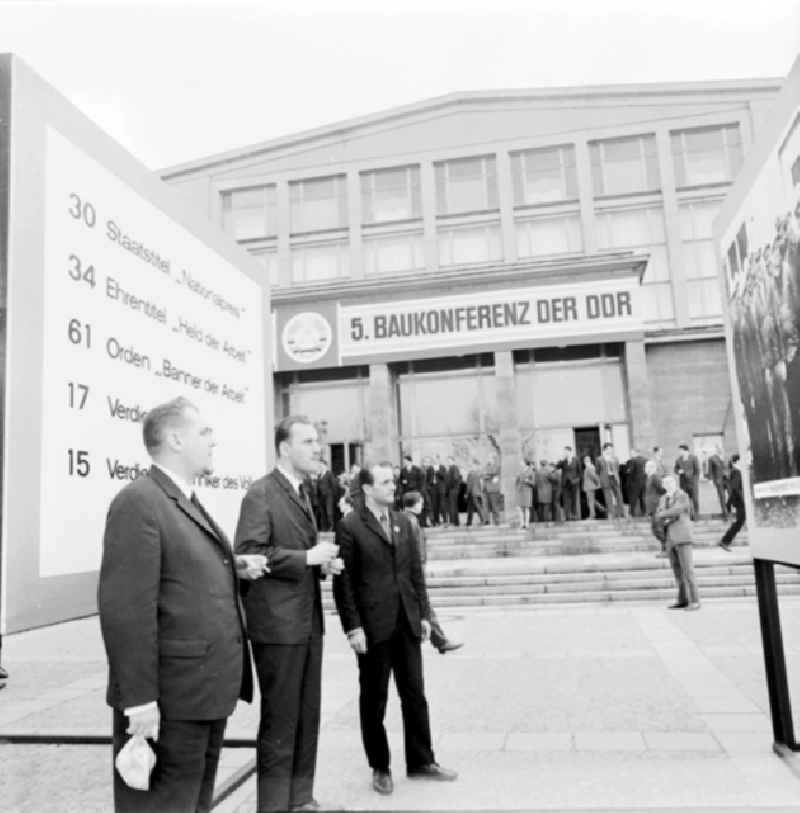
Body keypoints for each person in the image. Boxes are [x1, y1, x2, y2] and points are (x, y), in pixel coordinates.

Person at [98, 396, 266, 813]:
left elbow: (180, 576)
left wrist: (231, 568)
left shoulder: (183, 500)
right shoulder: (139, 502)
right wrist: (138, 700)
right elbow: (126, 610)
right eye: (204, 432)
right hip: (169, 702)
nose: (214, 441)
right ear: (175, 438)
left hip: (203, 694)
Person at [234, 416, 341, 812]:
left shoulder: (301, 491)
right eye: (309, 441)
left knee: (307, 716)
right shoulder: (261, 493)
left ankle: (301, 800)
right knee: (281, 722)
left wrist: (319, 565)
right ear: (284, 447)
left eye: (318, 441)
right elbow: (249, 551)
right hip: (277, 627)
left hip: (305, 622)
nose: (318, 449)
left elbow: (289, 553)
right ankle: (275, 806)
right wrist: (306, 557)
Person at [332, 464, 458, 796]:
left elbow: (415, 573)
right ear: (367, 489)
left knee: (415, 694)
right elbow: (343, 584)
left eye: (393, 481)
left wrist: (424, 615)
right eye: (386, 482)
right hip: (373, 628)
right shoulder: (350, 525)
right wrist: (353, 627)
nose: (393, 487)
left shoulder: (404, 522)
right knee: (374, 699)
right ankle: (380, 766)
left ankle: (421, 761)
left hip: (407, 622)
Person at [401, 491, 463, 654]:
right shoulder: (411, 521)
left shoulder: (404, 519)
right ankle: (440, 641)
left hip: (408, 574)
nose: (422, 505)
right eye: (420, 502)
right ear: (414, 504)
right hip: (413, 574)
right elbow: (415, 551)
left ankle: (439, 640)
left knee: (422, 608)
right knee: (425, 607)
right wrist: (419, 573)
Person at [655, 474, 700, 611]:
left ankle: (695, 601)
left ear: (675, 483)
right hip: (670, 539)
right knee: (677, 572)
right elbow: (659, 513)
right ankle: (682, 600)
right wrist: (665, 516)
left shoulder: (682, 495)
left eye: (670, 482)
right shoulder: (663, 498)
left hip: (682, 537)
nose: (668, 485)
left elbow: (677, 509)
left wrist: (663, 515)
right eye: (665, 483)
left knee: (688, 571)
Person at [719, 454, 746, 551]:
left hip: (740, 501)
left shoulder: (736, 472)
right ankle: (725, 541)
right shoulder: (737, 472)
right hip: (741, 502)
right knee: (739, 522)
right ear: (736, 462)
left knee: (740, 522)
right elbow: (734, 488)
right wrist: (729, 503)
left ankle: (725, 541)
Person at [644, 460, 666, 557]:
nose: (645, 468)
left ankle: (666, 549)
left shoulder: (655, 477)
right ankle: (665, 549)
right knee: (655, 529)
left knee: (658, 529)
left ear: (652, 468)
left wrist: (658, 502)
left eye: (647, 467)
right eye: (646, 467)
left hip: (656, 506)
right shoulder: (649, 478)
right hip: (651, 507)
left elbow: (663, 489)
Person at [597, 443, 625, 519]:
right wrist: (600, 480)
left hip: (614, 478)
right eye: (609, 449)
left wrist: (615, 475)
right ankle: (612, 514)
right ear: (605, 449)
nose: (611, 450)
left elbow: (617, 469)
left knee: (619, 496)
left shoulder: (615, 458)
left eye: (611, 449)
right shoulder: (599, 459)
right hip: (605, 479)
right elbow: (598, 471)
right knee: (608, 497)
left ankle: (621, 513)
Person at [674, 444, 701, 520]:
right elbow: (675, 469)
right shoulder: (678, 459)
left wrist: (695, 481)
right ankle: (687, 517)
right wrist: (678, 471)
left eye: (680, 450)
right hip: (683, 484)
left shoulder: (693, 458)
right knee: (685, 501)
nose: (679, 452)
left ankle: (696, 516)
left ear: (685, 450)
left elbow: (697, 471)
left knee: (695, 500)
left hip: (693, 483)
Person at [559, 447, 581, 521]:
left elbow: (580, 473)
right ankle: (567, 515)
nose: (565, 453)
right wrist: (562, 459)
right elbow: (557, 467)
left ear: (570, 452)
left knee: (574, 500)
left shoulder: (576, 460)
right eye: (564, 452)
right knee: (566, 500)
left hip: (574, 483)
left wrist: (576, 480)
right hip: (565, 483)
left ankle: (574, 515)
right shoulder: (563, 461)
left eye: (566, 452)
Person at [624, 448, 648, 517]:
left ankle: (632, 514)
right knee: (643, 498)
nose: (631, 454)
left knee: (633, 499)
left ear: (636, 453)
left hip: (634, 483)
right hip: (644, 482)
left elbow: (630, 471)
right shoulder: (646, 460)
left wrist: (626, 470)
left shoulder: (633, 460)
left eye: (632, 453)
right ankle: (645, 513)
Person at [707, 446, 729, 520]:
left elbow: (729, 468)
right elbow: (710, 470)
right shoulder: (711, 458)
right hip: (719, 480)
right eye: (718, 449)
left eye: (721, 449)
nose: (720, 450)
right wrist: (710, 480)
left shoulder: (725, 457)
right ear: (716, 450)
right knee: (722, 497)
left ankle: (729, 510)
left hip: (728, 480)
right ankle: (725, 514)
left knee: (732, 496)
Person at [317, 459, 339, 531]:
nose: (320, 466)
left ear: (325, 466)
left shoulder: (329, 474)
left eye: (321, 465)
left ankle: (331, 527)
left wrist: (334, 496)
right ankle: (324, 528)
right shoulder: (320, 475)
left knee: (329, 512)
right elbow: (318, 486)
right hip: (321, 497)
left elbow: (334, 485)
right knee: (323, 513)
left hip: (329, 496)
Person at [465, 460, 488, 526]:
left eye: (471, 465)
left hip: (472, 493)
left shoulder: (471, 473)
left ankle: (483, 520)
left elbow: (469, 484)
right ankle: (469, 522)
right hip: (478, 492)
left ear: (474, 466)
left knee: (475, 508)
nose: (471, 466)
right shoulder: (479, 473)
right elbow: (482, 483)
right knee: (473, 508)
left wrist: (466, 493)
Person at [582, 455, 604, 519]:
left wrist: (597, 484)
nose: (586, 462)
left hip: (590, 487)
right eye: (585, 461)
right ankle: (599, 510)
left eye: (587, 461)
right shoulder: (589, 467)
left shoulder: (590, 468)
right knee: (591, 501)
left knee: (590, 502)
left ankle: (592, 515)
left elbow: (594, 477)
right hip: (589, 487)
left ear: (590, 461)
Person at [483, 454, 503, 525]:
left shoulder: (497, 467)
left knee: (495, 506)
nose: (488, 460)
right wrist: (489, 475)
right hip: (485, 489)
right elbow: (483, 475)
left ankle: (497, 521)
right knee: (485, 506)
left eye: (489, 458)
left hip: (493, 490)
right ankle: (486, 520)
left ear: (493, 459)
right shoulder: (486, 466)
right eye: (488, 458)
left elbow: (494, 474)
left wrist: (488, 474)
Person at [515, 461, 535, 529]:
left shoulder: (531, 471)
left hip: (527, 491)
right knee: (519, 507)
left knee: (526, 508)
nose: (520, 464)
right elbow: (516, 482)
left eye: (522, 463)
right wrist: (517, 488)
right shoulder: (519, 471)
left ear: (525, 464)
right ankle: (522, 523)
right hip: (520, 491)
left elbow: (533, 482)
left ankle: (526, 524)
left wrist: (528, 481)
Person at [444, 456, 462, 526]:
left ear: (453, 461)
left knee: (453, 506)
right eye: (448, 461)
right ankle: (454, 522)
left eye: (450, 461)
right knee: (452, 506)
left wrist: (450, 486)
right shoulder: (451, 468)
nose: (448, 462)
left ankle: (454, 522)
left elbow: (455, 478)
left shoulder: (454, 468)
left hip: (453, 489)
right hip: (451, 489)